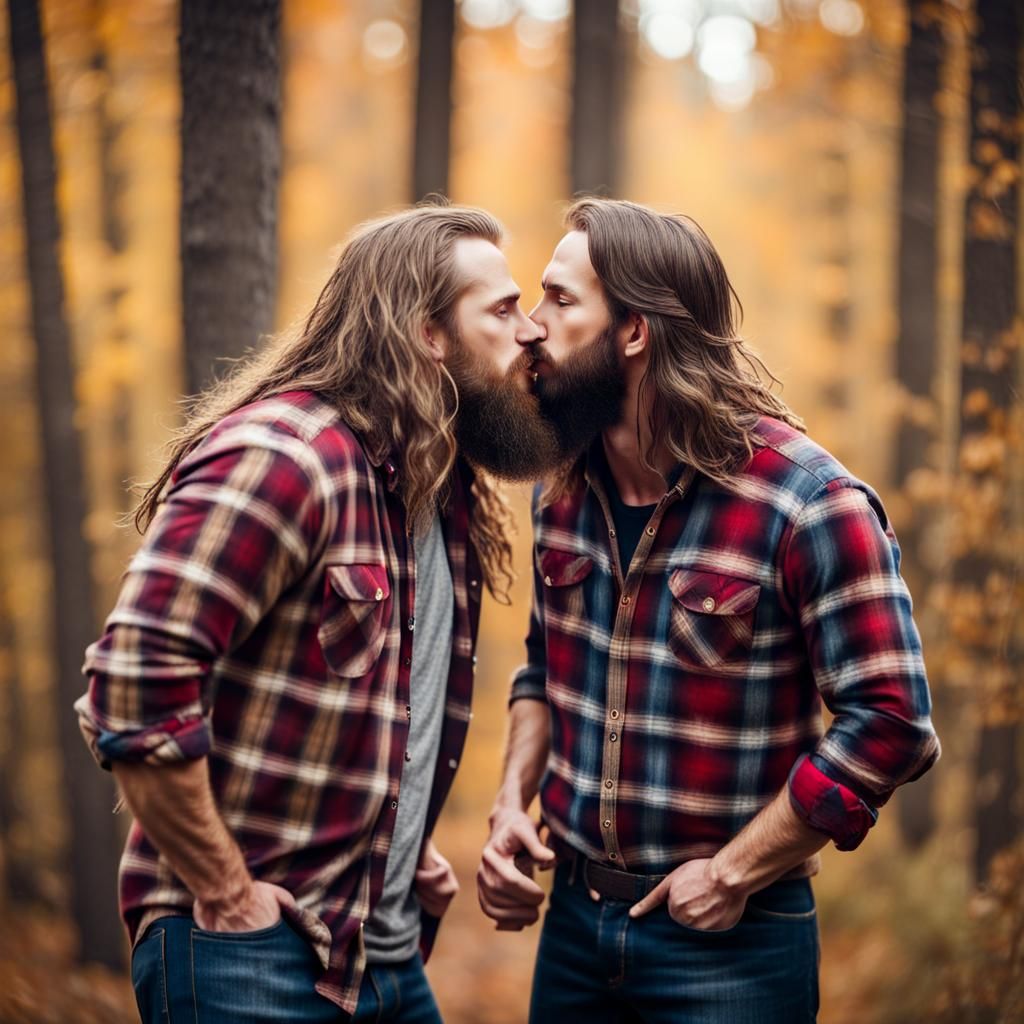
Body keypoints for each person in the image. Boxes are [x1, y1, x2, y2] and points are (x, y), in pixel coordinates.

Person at [75, 202, 555, 1023]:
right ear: (426, 335)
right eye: (503, 310)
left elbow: (355, 707)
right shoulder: (286, 457)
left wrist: (392, 844)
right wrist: (226, 894)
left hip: (383, 952)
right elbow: (133, 687)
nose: (530, 331)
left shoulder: (437, 491)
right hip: (246, 955)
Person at [477, 197, 940, 1023]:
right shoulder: (562, 484)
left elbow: (893, 721)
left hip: (735, 944)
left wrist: (734, 873)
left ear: (634, 332)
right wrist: (513, 801)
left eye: (560, 299)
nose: (531, 326)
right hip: (574, 930)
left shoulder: (809, 503)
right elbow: (546, 670)